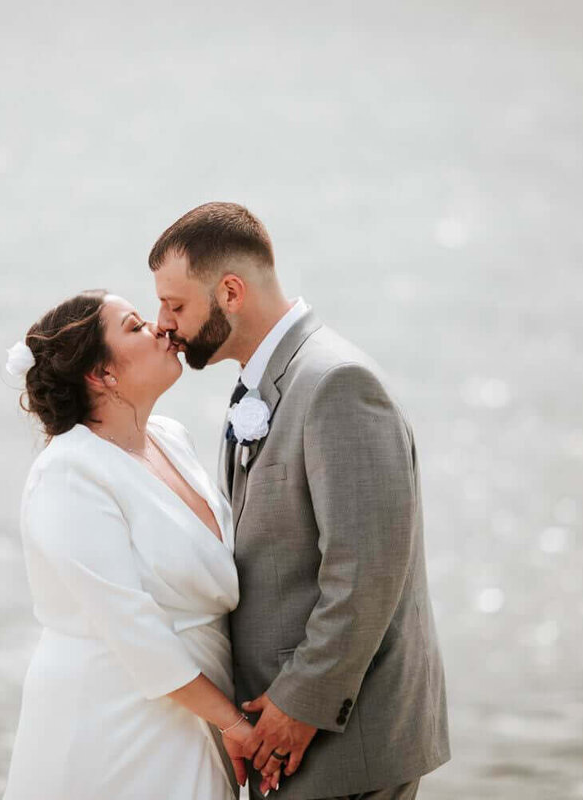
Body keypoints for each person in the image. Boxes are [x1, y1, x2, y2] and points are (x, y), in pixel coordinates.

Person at [150, 202, 451, 799]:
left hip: (342, 743)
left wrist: (300, 704)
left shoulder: (338, 384)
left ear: (230, 291)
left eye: (176, 304)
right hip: (290, 746)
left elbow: (365, 572)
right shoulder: (265, 383)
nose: (163, 324)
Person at [0, 289, 277, 800]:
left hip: (199, 709)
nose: (161, 328)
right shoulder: (69, 472)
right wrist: (236, 725)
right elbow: (131, 626)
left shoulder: (171, 438)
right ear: (101, 374)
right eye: (134, 326)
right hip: (113, 721)